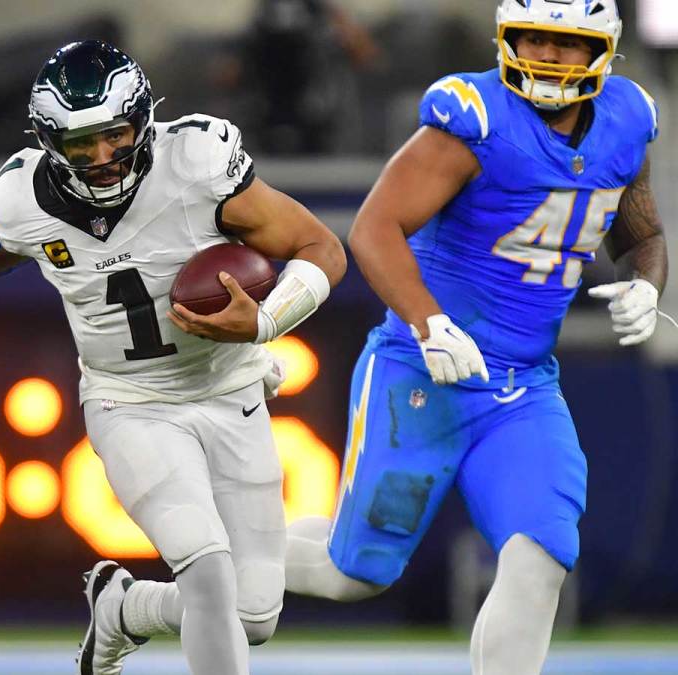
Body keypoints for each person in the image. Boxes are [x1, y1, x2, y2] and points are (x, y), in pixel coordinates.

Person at [283, 2, 665, 674]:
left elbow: (642, 233)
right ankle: (192, 579)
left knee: (542, 552)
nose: (547, 56)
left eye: (565, 44)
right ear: (506, 40)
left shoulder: (627, 120)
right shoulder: (474, 121)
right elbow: (373, 228)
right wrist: (430, 321)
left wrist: (646, 283)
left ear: (602, 48)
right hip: (422, 369)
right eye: (533, 39)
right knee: (356, 573)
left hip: (522, 387)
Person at [0, 41, 344, 675]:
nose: (101, 156)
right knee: (206, 569)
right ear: (50, 144)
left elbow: (322, 247)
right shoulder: (21, 200)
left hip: (230, 390)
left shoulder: (198, 165)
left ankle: (122, 609)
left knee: (255, 616)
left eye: (115, 134)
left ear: (143, 121)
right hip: (132, 402)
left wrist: (264, 321)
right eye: (79, 144)